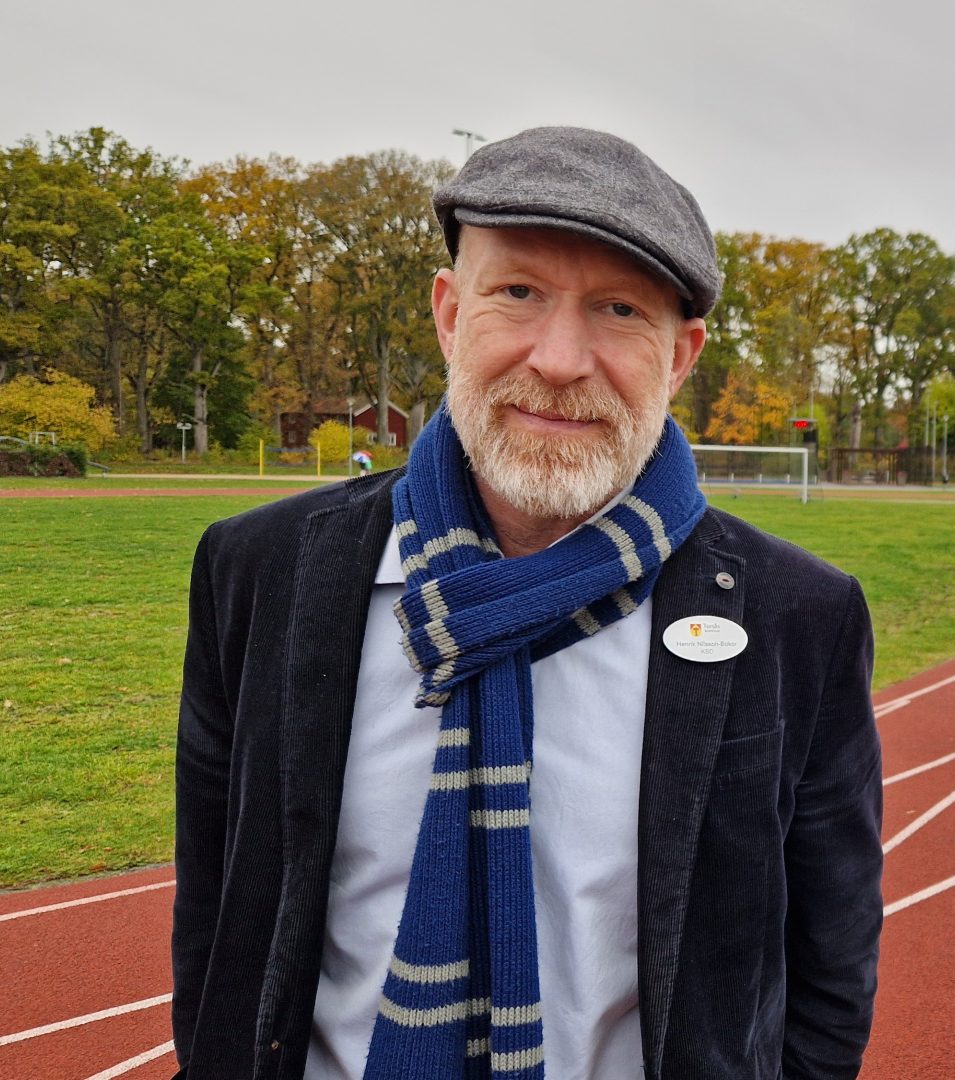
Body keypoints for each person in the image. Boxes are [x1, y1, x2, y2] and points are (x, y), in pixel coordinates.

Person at [171, 127, 883, 1080]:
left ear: (680, 357)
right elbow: (214, 918)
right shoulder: (259, 573)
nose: (558, 359)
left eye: (620, 309)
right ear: (447, 312)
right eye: (518, 293)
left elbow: (830, 957)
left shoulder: (799, 616)